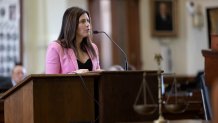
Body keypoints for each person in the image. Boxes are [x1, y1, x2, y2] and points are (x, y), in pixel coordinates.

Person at [45, 7, 100, 74]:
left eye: (88, 21)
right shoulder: (55, 48)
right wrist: (75, 74)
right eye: (83, 21)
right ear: (72, 25)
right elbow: (50, 81)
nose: (88, 24)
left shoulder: (93, 47)